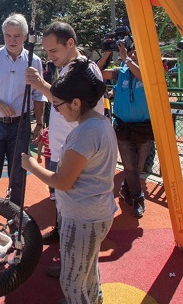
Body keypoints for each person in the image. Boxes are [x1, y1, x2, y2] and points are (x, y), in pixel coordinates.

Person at [21, 62, 117, 304]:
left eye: (58, 105)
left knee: (72, 280)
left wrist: (32, 167)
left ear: (76, 103)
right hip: (95, 213)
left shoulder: (85, 134)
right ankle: (93, 300)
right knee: (87, 271)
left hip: (82, 217)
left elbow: (62, 182)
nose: (57, 111)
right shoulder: (100, 123)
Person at [24, 21, 105, 245]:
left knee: (71, 195)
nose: (50, 56)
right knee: (63, 197)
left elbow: (67, 102)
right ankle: (63, 233)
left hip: (76, 148)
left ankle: (72, 244)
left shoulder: (82, 69)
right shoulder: (72, 67)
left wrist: (40, 84)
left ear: (70, 43)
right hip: (65, 144)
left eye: (53, 50)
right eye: (47, 51)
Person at [0, 13, 46, 205]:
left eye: (17, 36)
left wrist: (40, 123)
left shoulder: (34, 61)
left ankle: (16, 222)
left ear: (25, 36)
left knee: (18, 177)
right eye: (8, 35)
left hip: (20, 126)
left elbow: (39, 95)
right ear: (3, 35)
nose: (12, 40)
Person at [101, 40, 154, 218]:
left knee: (138, 167)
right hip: (123, 127)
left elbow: (143, 77)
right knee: (130, 167)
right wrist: (108, 52)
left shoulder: (147, 72)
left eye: (136, 54)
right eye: (130, 53)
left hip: (144, 128)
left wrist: (127, 60)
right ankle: (139, 199)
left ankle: (125, 188)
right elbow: (98, 72)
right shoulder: (120, 72)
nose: (132, 56)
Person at [36, 126, 55, 201]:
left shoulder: (60, 130)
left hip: (57, 156)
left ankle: (57, 190)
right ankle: (52, 191)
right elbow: (41, 143)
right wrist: (39, 156)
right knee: (49, 173)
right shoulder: (46, 131)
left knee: (57, 172)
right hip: (48, 157)